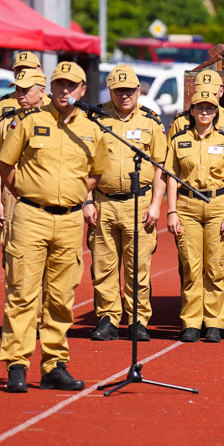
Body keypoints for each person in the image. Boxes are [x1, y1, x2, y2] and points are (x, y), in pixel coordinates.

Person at [0, 62, 110, 393]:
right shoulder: (30, 122)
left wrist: (75, 196)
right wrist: (29, 193)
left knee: (61, 297)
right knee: (22, 293)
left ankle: (54, 366)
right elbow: (6, 165)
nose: (64, 90)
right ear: (51, 87)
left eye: (71, 85)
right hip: (32, 217)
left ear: (82, 91)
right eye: (59, 84)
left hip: (71, 220)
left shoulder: (92, 129)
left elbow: (96, 173)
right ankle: (17, 364)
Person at [87, 64, 166, 342]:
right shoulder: (94, 118)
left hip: (139, 202)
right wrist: (86, 200)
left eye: (129, 90)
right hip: (103, 203)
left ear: (138, 91)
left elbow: (160, 168)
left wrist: (157, 204)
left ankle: (137, 320)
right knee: (103, 266)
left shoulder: (151, 121)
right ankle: (108, 319)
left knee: (138, 267)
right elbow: (83, 163)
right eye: (118, 90)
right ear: (110, 90)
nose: (124, 96)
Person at [170, 69, 224, 334]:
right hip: (187, 207)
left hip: (218, 206)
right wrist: (171, 211)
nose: (204, 112)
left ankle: (214, 322)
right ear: (191, 111)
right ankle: (191, 322)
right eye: (199, 107)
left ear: (216, 111)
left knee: (216, 266)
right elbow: (171, 177)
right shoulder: (179, 139)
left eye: (209, 108)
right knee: (192, 266)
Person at [0, 52, 50, 251]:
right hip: (12, 192)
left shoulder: (56, 114)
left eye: (27, 71)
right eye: (18, 72)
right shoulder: (4, 114)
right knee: (12, 254)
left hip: (46, 191)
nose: (21, 92)